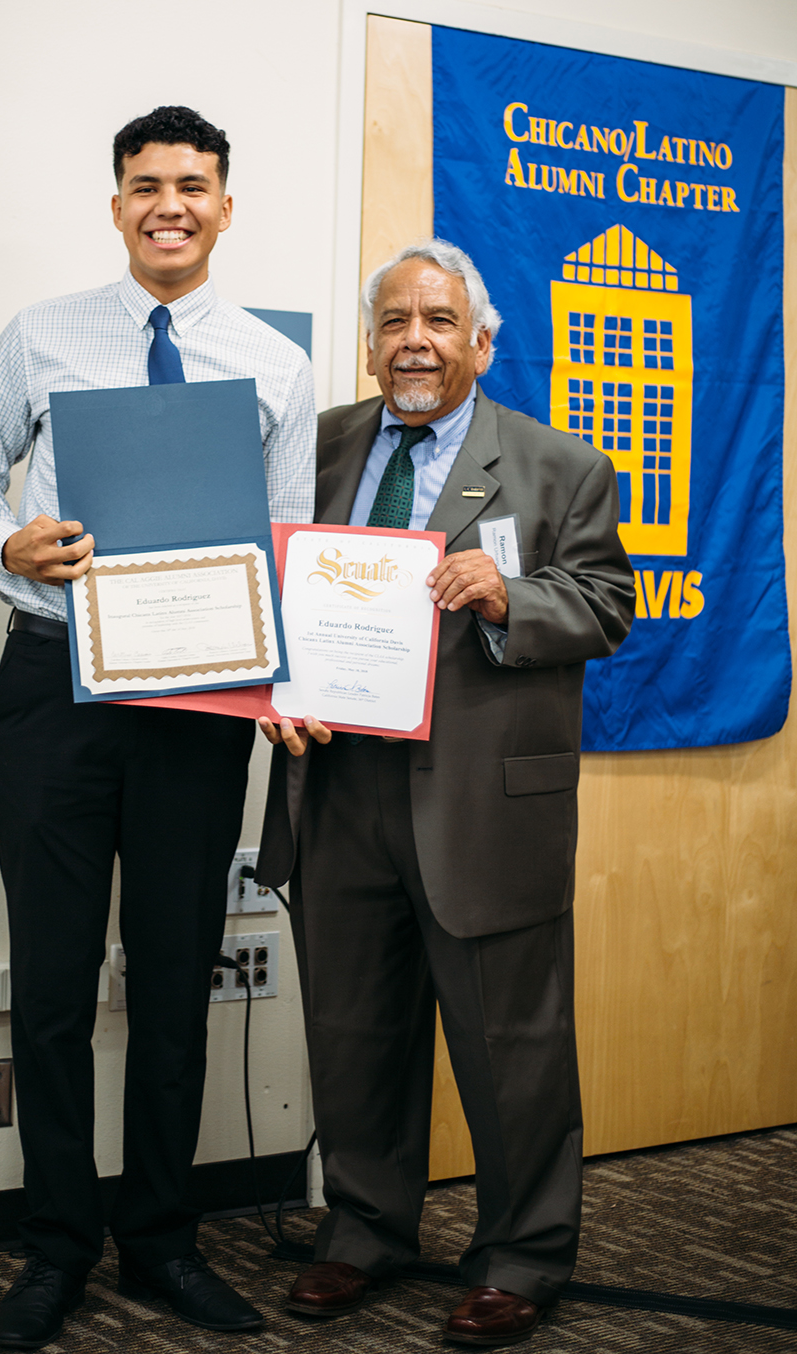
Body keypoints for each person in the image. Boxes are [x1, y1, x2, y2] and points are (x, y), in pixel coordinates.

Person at [0, 106, 315, 1351]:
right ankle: (55, 1245)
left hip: (197, 711)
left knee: (173, 985)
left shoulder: (276, 363)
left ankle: (160, 1240)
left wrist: (290, 683)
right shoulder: (41, 334)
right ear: (116, 204)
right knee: (49, 987)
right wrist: (8, 540)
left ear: (222, 204)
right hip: (51, 689)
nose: (170, 203)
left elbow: (287, 542)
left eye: (193, 184)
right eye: (147, 183)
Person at [255, 239, 634, 1347]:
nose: (412, 339)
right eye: (392, 320)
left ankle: (524, 1253)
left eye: (436, 319)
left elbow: (608, 603)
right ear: (370, 340)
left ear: (480, 340)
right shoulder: (312, 446)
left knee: (511, 1041)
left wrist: (511, 595)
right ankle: (366, 1229)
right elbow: (263, 584)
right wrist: (267, 689)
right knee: (353, 1024)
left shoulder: (557, 464)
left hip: (477, 800)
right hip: (337, 785)